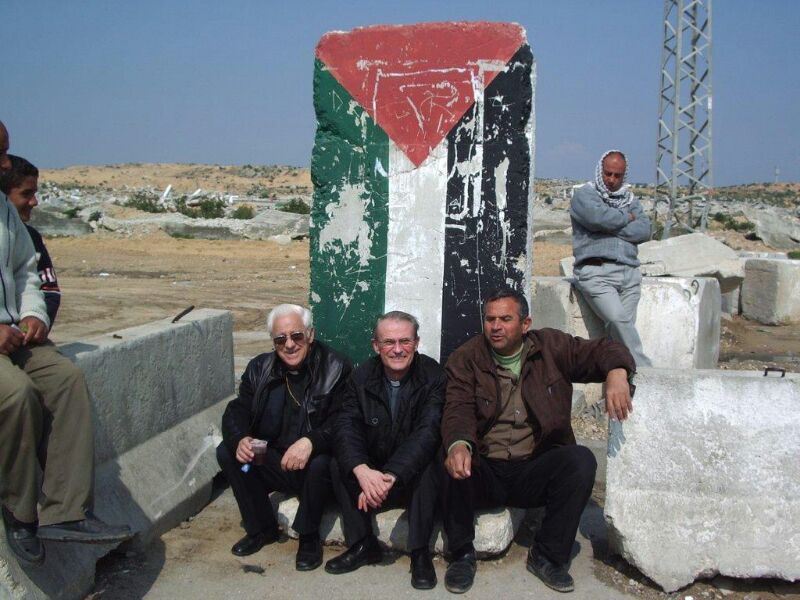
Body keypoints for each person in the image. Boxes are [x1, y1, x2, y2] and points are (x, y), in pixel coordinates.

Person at [438, 288, 636, 594]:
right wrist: (459, 444)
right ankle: (462, 554)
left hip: (533, 467)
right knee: (448, 454)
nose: (496, 326)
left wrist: (617, 372)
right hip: (485, 468)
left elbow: (604, 349)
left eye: (505, 319)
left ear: (525, 324)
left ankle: (547, 556)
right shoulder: (467, 357)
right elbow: (457, 408)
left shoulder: (552, 348)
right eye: (490, 319)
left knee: (581, 461)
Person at [0, 120, 131, 566]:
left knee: (66, 380)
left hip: (15, 336)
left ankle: (66, 512)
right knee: (16, 395)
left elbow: (26, 272)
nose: (5, 163)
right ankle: (20, 514)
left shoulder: (5, 213)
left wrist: (33, 315)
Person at [217, 303, 351, 571]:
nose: (289, 345)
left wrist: (311, 441)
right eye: (281, 339)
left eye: (296, 336)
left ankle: (309, 537)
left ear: (310, 335)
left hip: (314, 466)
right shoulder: (260, 368)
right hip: (274, 460)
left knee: (322, 462)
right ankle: (262, 529)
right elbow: (237, 409)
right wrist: (241, 438)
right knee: (229, 452)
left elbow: (344, 420)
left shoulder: (336, 367)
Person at [324, 311, 445, 590]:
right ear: (376, 346)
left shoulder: (433, 376)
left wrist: (391, 475)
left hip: (407, 475)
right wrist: (361, 470)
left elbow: (428, 431)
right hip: (374, 475)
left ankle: (419, 552)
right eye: (389, 342)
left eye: (405, 341)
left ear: (416, 342)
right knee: (339, 462)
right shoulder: (360, 377)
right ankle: (363, 544)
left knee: (431, 462)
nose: (398, 349)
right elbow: (346, 426)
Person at [570, 150, 652, 367]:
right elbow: (597, 217)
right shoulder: (584, 195)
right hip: (597, 272)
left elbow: (644, 230)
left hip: (630, 273)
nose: (612, 180)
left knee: (621, 335)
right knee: (618, 321)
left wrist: (609, 226)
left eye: (618, 175)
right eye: (608, 174)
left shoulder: (630, 199)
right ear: (600, 171)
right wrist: (625, 218)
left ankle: (620, 382)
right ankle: (645, 371)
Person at [0, 155, 61, 325]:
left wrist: (35, 318)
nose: (34, 202)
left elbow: (44, 288)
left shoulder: (30, 237)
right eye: (26, 194)